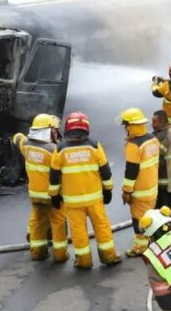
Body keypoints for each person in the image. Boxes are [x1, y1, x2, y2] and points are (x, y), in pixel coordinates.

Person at [49, 112, 122, 269]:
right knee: (102, 227)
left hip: (72, 201)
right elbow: (105, 171)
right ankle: (109, 257)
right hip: (95, 199)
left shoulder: (60, 150)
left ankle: (84, 261)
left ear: (68, 129)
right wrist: (108, 190)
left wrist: (54, 196)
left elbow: (54, 175)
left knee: (79, 231)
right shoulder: (95, 146)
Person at [13, 114, 68, 262]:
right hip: (53, 194)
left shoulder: (25, 145)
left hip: (35, 195)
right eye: (54, 130)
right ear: (47, 131)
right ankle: (60, 254)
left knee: (37, 221)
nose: (56, 133)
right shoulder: (53, 150)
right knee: (58, 221)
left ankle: (38, 252)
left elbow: (17, 137)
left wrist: (20, 135)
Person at [117, 107, 161, 257]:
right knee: (151, 217)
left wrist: (126, 191)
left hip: (140, 192)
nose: (124, 128)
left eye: (125, 125)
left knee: (139, 221)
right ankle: (152, 243)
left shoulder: (133, 145)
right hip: (152, 188)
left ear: (131, 126)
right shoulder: (153, 139)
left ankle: (140, 248)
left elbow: (131, 170)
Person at [152, 110, 171, 220]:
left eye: (155, 122)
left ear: (162, 122)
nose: (152, 124)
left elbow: (157, 156)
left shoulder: (161, 136)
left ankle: (163, 229)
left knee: (160, 207)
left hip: (162, 178)